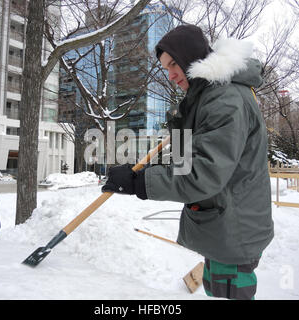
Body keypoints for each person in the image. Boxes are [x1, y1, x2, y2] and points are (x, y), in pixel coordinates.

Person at [102, 24, 274, 300]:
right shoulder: (205, 98)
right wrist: (147, 167)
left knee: (229, 294)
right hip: (222, 223)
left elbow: (203, 173)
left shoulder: (225, 99)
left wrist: (140, 183)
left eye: (174, 65)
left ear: (190, 59)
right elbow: (184, 163)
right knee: (217, 291)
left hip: (234, 225)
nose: (170, 75)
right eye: (165, 68)